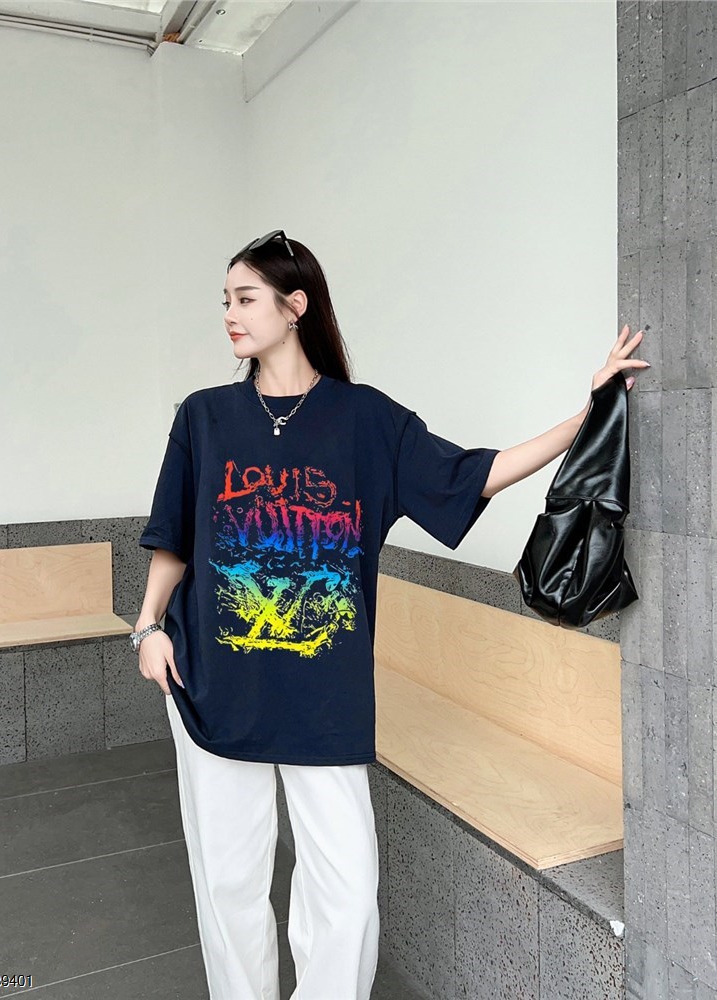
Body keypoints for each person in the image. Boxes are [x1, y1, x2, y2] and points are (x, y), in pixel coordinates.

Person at [132, 231, 649, 1000]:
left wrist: (590, 411)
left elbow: (474, 475)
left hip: (324, 694)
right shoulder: (203, 418)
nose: (230, 316)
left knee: (345, 891)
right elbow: (172, 536)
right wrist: (147, 628)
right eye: (226, 301)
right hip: (212, 680)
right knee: (228, 882)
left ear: (295, 306)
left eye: (245, 299)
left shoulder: (364, 419)